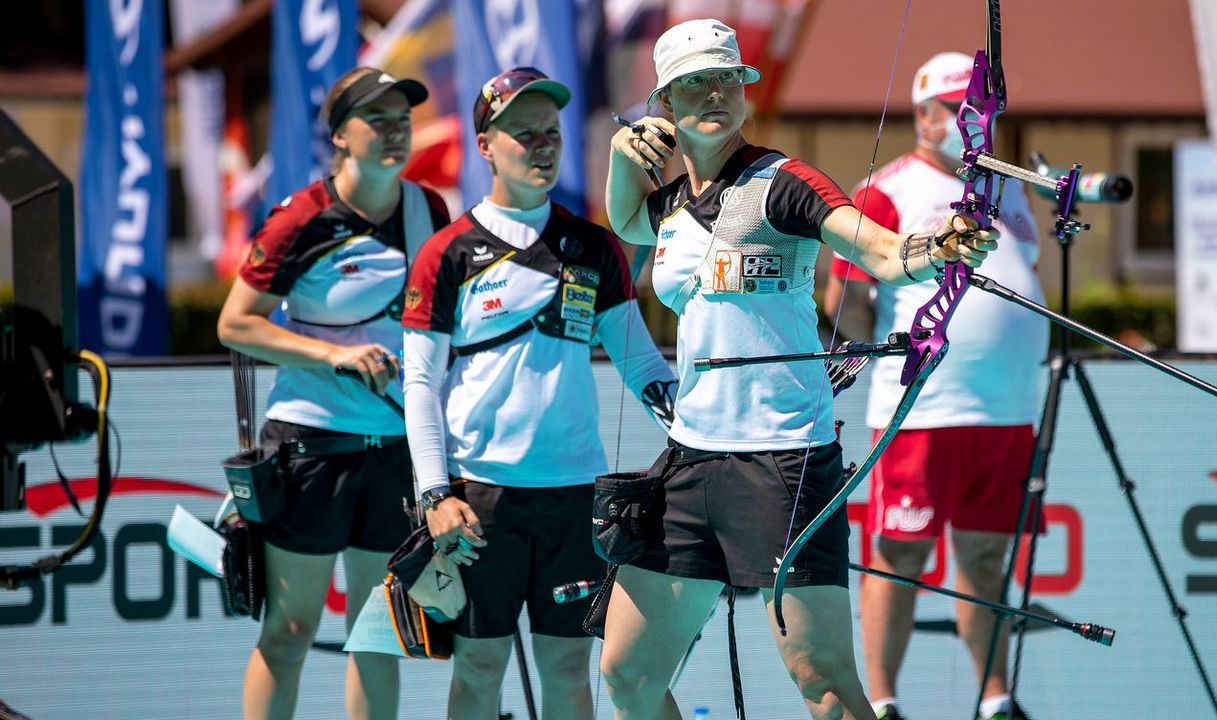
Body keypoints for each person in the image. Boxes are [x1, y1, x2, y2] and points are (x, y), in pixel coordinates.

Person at [602, 20, 999, 720]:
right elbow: (626, 216)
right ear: (663, 104)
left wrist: (942, 246)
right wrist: (616, 151)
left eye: (726, 77)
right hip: (692, 460)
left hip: (784, 461)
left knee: (826, 687)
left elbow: (877, 251)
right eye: (694, 82)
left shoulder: (783, 182)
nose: (715, 91)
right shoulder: (666, 208)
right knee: (629, 675)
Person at [400, 66, 676, 720]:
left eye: (550, 132)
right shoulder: (447, 252)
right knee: (478, 669)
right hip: (478, 499)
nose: (542, 145)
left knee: (568, 673)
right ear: (486, 146)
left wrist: (708, 434)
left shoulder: (594, 247)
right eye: (523, 134)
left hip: (573, 498)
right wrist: (436, 494)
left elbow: (642, 363)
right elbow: (419, 383)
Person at [217, 67, 450, 720]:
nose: (394, 132)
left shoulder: (427, 210)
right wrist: (334, 356)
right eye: (377, 120)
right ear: (341, 136)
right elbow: (234, 323)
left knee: (378, 638)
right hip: (310, 447)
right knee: (289, 633)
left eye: (402, 119)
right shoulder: (300, 218)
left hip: (395, 450)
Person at [826, 52, 1047, 720]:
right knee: (899, 555)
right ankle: (885, 702)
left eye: (980, 106)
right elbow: (848, 299)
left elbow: (1023, 267)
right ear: (924, 116)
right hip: (923, 411)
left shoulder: (1007, 186)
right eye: (957, 106)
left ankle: (995, 698)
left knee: (986, 555)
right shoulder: (886, 187)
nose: (971, 118)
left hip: (1006, 410)